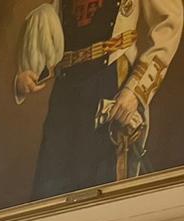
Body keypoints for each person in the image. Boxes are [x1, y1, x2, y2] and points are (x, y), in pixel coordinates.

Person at [14, 0, 180, 197]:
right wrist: (27, 73)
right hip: (65, 96)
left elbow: (170, 24)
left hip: (111, 87)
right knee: (49, 190)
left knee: (106, 193)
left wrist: (135, 91)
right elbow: (57, 35)